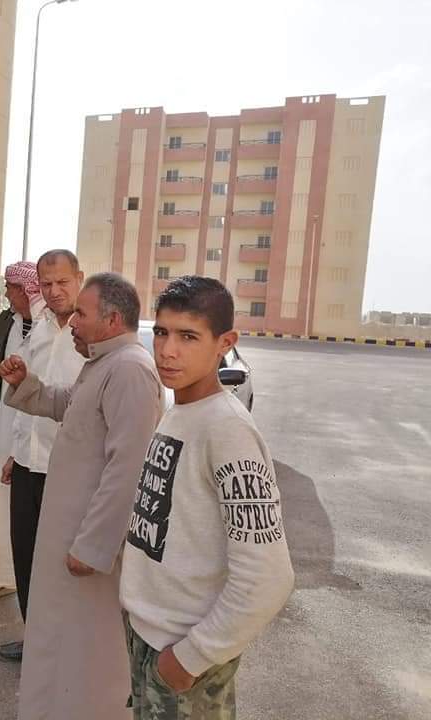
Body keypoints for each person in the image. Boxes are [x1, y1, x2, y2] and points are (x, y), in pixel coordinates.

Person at [120, 276, 294, 719]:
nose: (167, 350)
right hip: (151, 635)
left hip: (183, 653)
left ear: (225, 343)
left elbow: (268, 578)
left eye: (188, 336)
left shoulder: (227, 430)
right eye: (161, 332)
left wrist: (190, 658)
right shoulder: (181, 411)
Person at [0, 273, 164, 720]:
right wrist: (27, 384)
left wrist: (93, 547)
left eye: (81, 314)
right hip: (70, 538)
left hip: (88, 550)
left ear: (112, 320)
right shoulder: (103, 363)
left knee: (89, 656)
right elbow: (67, 403)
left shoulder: (129, 370)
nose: (71, 321)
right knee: (62, 644)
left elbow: (128, 470)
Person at [0, 249, 85, 662]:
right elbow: (28, 393)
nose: (54, 291)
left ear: (79, 279)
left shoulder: (90, 333)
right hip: (28, 464)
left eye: (62, 282)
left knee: (61, 565)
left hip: (67, 472)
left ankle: (64, 649)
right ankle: (35, 640)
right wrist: (16, 452)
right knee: (27, 557)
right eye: (46, 284)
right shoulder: (41, 328)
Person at [0, 262, 46, 602]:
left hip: (38, 422)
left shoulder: (51, 325)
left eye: (11, 288)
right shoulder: (8, 320)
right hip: (6, 421)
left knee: (30, 514)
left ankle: (26, 581)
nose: (6, 293)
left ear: (26, 290)